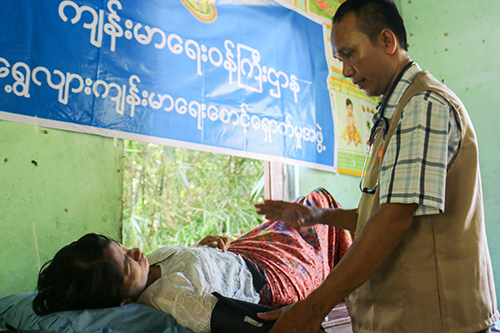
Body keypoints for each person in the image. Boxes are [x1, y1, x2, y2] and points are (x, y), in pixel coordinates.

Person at [254, 1, 499, 332]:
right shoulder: (392, 114)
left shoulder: (423, 106)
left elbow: (393, 221)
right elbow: (380, 215)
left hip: (438, 321)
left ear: (387, 41)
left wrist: (313, 309)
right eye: (340, 59)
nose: (346, 70)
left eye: (350, 53)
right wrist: (320, 217)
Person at [33, 188, 352, 333]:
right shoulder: (174, 299)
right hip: (268, 276)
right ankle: (362, 266)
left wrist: (202, 250)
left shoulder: (150, 265)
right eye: (128, 264)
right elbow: (236, 319)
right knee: (317, 214)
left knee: (308, 204)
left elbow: (189, 264)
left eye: (123, 247)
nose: (136, 252)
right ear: (122, 301)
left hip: (245, 253)